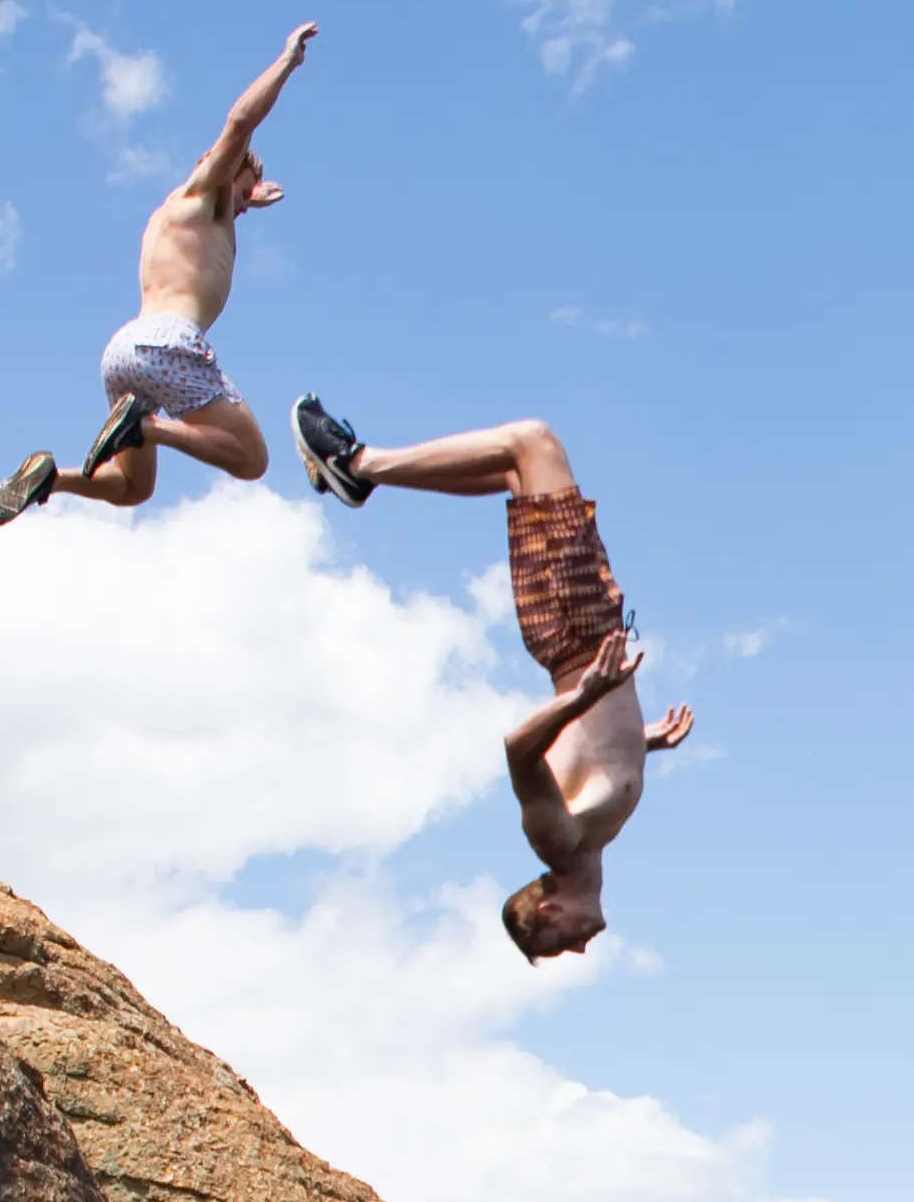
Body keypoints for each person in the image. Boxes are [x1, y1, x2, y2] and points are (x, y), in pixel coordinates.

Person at [287, 401, 693, 959]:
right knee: (514, 468)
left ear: (548, 912)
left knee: (532, 442)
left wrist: (584, 694)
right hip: (587, 625)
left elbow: (518, 750)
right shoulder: (591, 843)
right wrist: (643, 741)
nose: (579, 949)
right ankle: (361, 473)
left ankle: (357, 465)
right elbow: (588, 751)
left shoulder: (555, 841)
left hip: (572, 630)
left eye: (558, 944)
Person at [0, 21, 315, 522]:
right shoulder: (204, 191)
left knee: (131, 488)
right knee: (251, 458)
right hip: (169, 343)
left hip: (125, 352)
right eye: (241, 191)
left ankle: (50, 479)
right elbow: (239, 123)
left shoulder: (178, 217)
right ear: (219, 169)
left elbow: (224, 212)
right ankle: (145, 426)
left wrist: (249, 198)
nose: (241, 205)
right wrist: (286, 62)